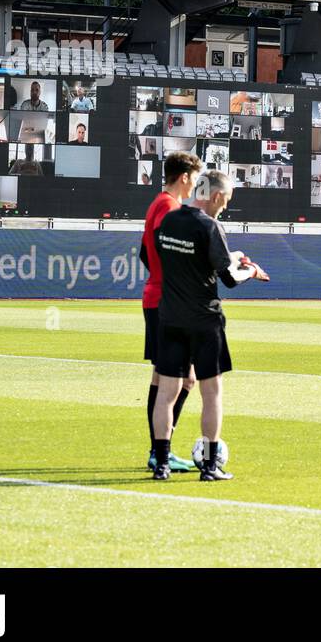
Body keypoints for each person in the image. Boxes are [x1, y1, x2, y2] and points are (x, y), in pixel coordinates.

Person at [151, 170, 269, 481]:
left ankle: (161, 464)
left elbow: (162, 260)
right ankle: (209, 466)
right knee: (211, 392)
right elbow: (228, 279)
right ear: (216, 196)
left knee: (167, 392)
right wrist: (251, 272)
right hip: (204, 320)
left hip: (170, 317)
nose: (226, 206)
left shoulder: (170, 220)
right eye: (227, 200)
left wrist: (228, 256)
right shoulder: (211, 225)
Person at [138, 151, 203, 473]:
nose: (195, 186)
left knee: (167, 377)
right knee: (182, 380)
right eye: (195, 178)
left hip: (159, 296)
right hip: (168, 301)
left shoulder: (158, 203)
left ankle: (159, 450)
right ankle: (159, 450)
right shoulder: (168, 206)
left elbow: (144, 252)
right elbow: (173, 248)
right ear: (185, 177)